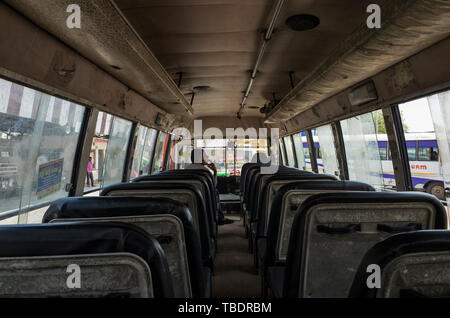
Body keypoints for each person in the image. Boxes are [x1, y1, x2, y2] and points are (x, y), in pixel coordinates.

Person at [186, 148, 234, 225]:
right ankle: (220, 217)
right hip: (205, 196)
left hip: (190, 196)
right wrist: (215, 172)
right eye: (205, 155)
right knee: (216, 192)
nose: (207, 157)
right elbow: (213, 186)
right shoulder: (205, 171)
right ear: (200, 158)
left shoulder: (186, 169)